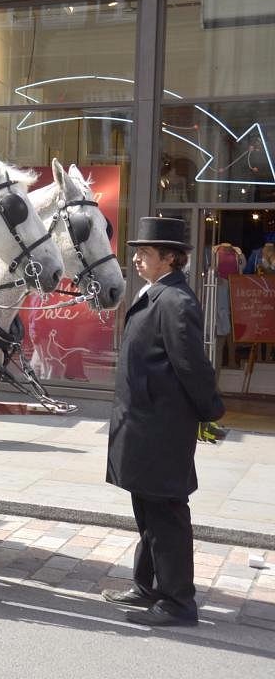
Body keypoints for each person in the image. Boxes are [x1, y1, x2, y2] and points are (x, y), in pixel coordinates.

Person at [103, 216, 225, 627]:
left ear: (170, 258)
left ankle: (178, 602)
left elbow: (192, 365)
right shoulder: (157, 293)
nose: (136, 259)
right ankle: (147, 585)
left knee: (166, 515)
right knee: (148, 512)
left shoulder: (176, 301)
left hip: (160, 428)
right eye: (137, 251)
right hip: (142, 424)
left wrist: (211, 412)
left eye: (146, 253)